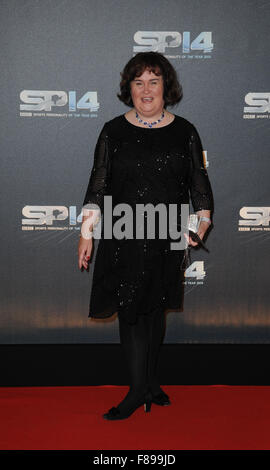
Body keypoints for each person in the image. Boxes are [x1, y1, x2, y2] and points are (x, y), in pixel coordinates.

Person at [78, 52, 214, 420]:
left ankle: (151, 382)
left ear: (166, 87)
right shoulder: (113, 130)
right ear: (129, 89)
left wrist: (200, 223)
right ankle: (137, 390)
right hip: (124, 231)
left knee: (154, 311)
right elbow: (98, 184)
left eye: (154, 81)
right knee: (131, 312)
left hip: (167, 232)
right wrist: (87, 232)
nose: (146, 89)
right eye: (138, 82)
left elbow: (199, 187)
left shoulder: (185, 131)